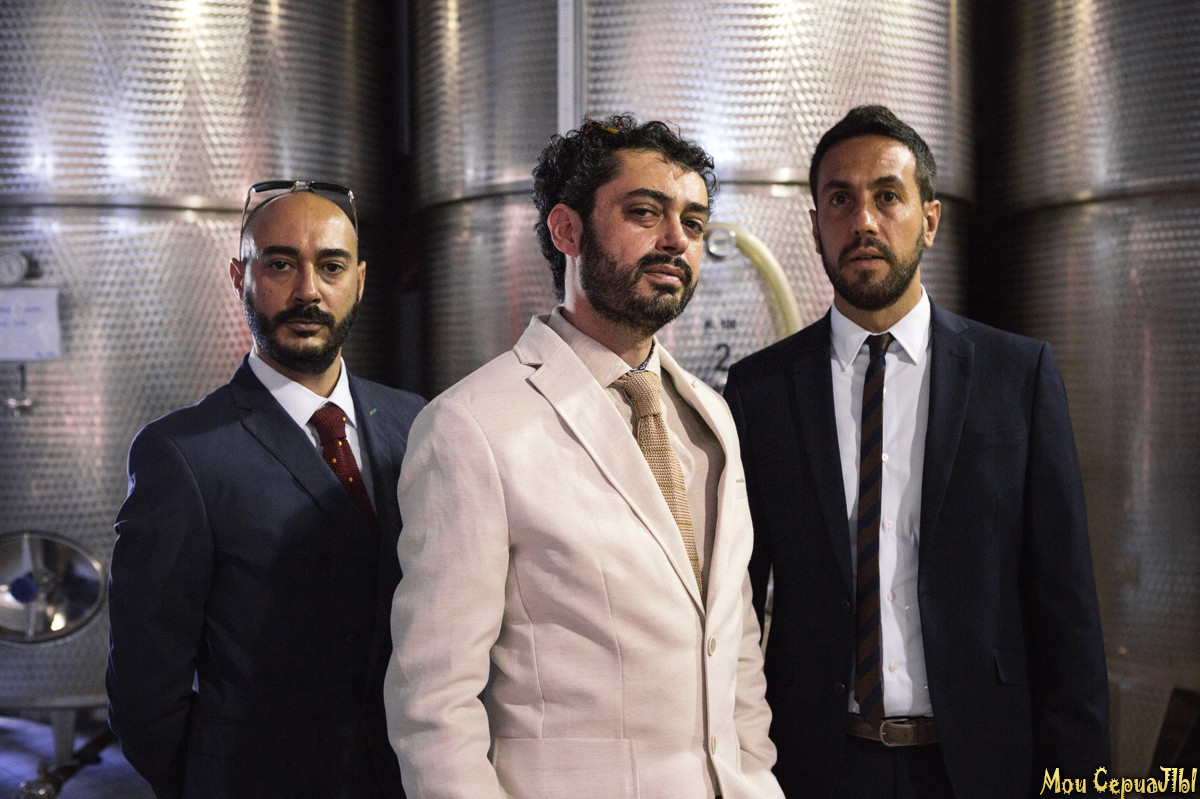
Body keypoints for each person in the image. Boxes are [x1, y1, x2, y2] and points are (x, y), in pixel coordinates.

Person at [383, 116, 785, 799]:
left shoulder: (712, 418)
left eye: (692, 220)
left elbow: (735, 647)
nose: (676, 239)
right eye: (645, 212)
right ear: (567, 230)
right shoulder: (470, 427)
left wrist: (756, 777)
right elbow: (434, 706)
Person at [723, 105, 1110, 798]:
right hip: (815, 767)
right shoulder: (761, 392)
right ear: (815, 226)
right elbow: (736, 605)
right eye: (840, 200)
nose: (863, 221)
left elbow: (1066, 610)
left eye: (887, 196)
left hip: (980, 767)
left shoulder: (1017, 376)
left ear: (930, 219)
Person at [106, 181, 424, 799]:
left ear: (360, 281)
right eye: (280, 264)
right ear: (239, 277)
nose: (308, 291)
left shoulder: (414, 421)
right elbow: (145, 692)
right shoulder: (182, 454)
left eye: (331, 266)